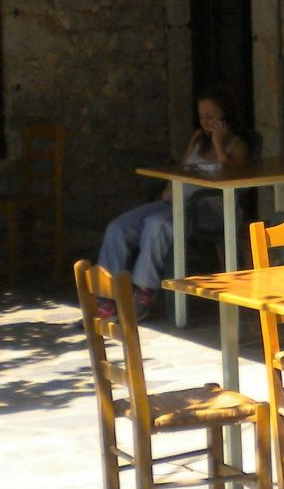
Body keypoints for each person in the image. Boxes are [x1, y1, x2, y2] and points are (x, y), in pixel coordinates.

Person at [96, 86, 252, 317]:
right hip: (176, 203)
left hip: (210, 209)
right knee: (118, 227)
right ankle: (106, 296)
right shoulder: (198, 139)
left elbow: (232, 179)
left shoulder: (237, 146)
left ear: (225, 116)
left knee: (157, 224)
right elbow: (183, 168)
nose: (205, 122)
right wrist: (170, 187)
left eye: (210, 116)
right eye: (201, 117)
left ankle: (143, 290)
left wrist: (219, 144)